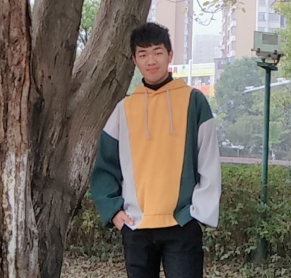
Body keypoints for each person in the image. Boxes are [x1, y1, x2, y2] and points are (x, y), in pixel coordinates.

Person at [91, 22, 222, 278]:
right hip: (136, 225)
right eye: (143, 54)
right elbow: (105, 167)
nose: (151, 60)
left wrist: (199, 213)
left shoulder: (193, 101)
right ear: (134, 60)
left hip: (182, 222)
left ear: (170, 55)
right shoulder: (124, 109)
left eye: (157, 52)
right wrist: (113, 211)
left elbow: (209, 160)